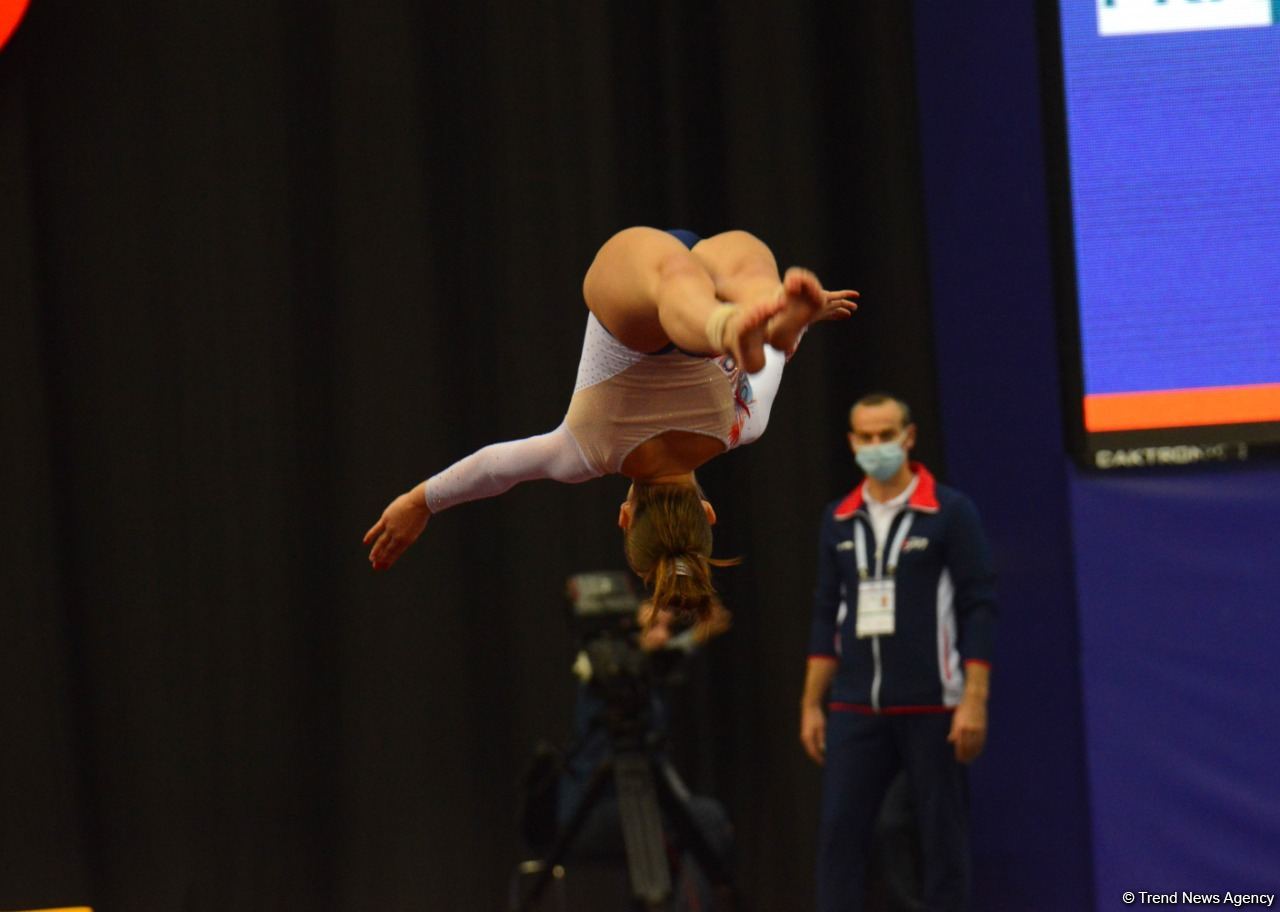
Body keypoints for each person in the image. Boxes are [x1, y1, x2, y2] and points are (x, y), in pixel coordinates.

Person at [363, 227, 857, 622]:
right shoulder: (586, 452)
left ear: (708, 512)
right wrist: (419, 502)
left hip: (710, 308)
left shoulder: (742, 428)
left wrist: (798, 326)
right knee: (670, 280)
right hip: (637, 313)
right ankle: (727, 323)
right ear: (624, 518)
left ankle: (750, 313)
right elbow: (495, 469)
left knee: (741, 269)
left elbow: (768, 365)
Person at [799, 393, 996, 912]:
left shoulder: (949, 512)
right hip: (856, 704)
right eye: (865, 437)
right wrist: (810, 704)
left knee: (940, 839)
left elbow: (978, 606)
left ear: (908, 437)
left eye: (886, 435)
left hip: (933, 702)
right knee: (840, 836)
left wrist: (974, 700)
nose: (876, 446)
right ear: (851, 443)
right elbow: (825, 613)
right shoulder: (839, 519)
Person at [554, 601, 735, 911]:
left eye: (667, 628)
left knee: (688, 830)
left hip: (634, 803)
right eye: (653, 628)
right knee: (708, 821)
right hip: (593, 811)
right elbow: (638, 657)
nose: (663, 637)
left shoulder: (645, 677)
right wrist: (690, 634)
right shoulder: (603, 677)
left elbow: (674, 648)